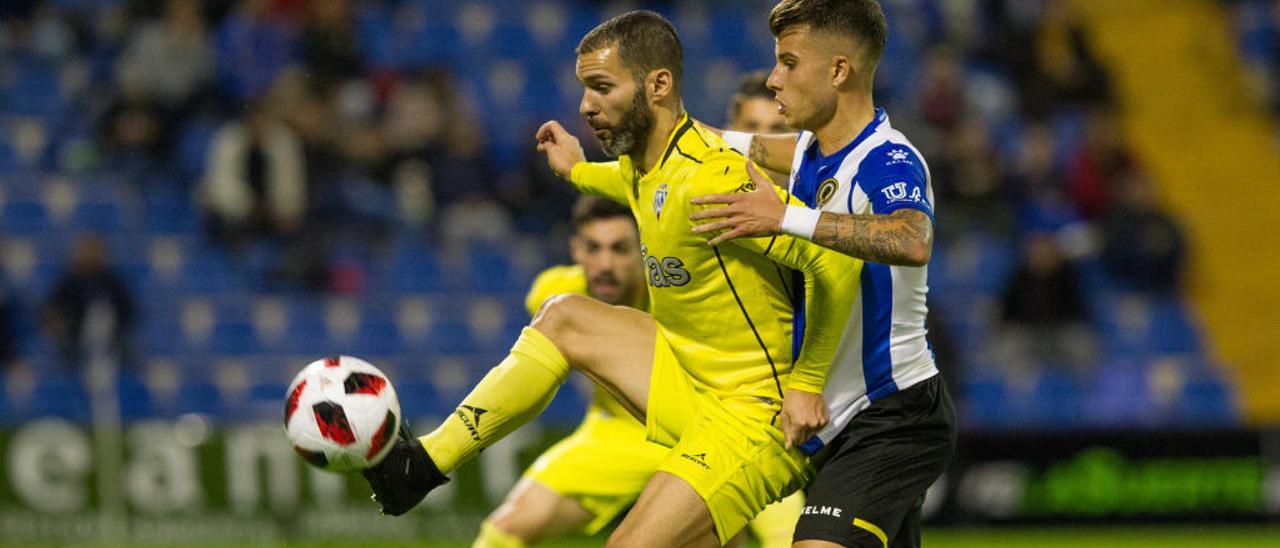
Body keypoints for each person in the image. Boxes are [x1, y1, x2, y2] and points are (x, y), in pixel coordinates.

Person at [361, 11, 862, 547]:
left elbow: (836, 260)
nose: (585, 106)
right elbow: (627, 183)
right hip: (688, 381)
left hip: (753, 413)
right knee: (563, 314)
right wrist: (575, 170)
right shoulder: (648, 167)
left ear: (659, 85)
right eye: (584, 89)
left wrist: (808, 384)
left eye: (601, 87)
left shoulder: (713, 176)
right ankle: (421, 465)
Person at [686, 1, 957, 546]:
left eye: (788, 63)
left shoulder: (890, 160)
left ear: (838, 71)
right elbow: (738, 143)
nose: (772, 78)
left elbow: (911, 239)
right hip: (839, 417)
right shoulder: (813, 149)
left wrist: (786, 216)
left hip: (894, 411)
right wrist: (656, 125)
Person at [43, 234, 137, 368]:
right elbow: (52, 312)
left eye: (93, 250)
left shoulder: (112, 282)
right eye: (85, 250)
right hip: (75, 341)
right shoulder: (68, 283)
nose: (89, 255)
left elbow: (129, 311)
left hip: (112, 341)